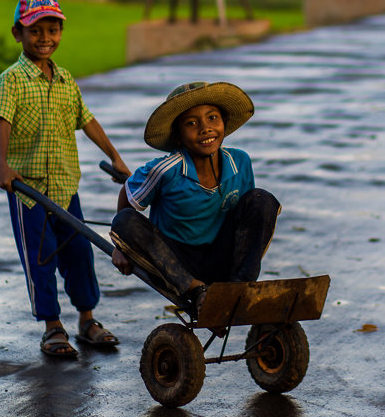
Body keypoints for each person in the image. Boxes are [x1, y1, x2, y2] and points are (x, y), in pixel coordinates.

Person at [0, 0, 131, 359]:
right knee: (41, 257)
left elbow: (87, 120)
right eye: (36, 31)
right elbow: (3, 121)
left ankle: (87, 319)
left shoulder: (65, 79)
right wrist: (2, 165)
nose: (45, 38)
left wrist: (114, 156)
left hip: (65, 186)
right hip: (27, 189)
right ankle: (52, 326)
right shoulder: (12, 80)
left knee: (80, 252)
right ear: (18, 33)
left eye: (53, 29)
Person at [109, 81, 279, 318]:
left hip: (220, 255)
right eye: (191, 123)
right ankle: (196, 289)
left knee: (262, 199)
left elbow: (248, 218)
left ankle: (238, 289)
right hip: (176, 262)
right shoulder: (164, 169)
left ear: (224, 123)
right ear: (178, 137)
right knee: (124, 221)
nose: (205, 128)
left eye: (212, 118)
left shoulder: (240, 162)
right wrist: (120, 248)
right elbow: (127, 197)